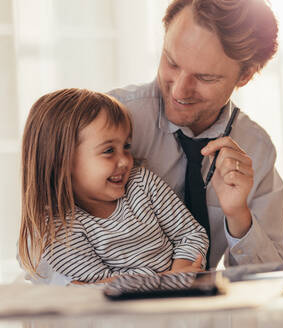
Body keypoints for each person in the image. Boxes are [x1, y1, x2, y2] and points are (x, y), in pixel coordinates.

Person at [108, 0, 283, 269]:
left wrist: (239, 217)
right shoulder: (109, 123)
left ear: (245, 75)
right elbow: (37, 251)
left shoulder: (255, 149)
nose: (180, 91)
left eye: (205, 78)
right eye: (172, 62)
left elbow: (271, 277)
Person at [17, 89, 209, 284]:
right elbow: (101, 289)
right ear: (62, 163)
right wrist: (165, 282)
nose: (126, 161)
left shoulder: (142, 183)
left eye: (126, 146)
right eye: (109, 151)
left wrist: (181, 271)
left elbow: (191, 234)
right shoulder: (61, 231)